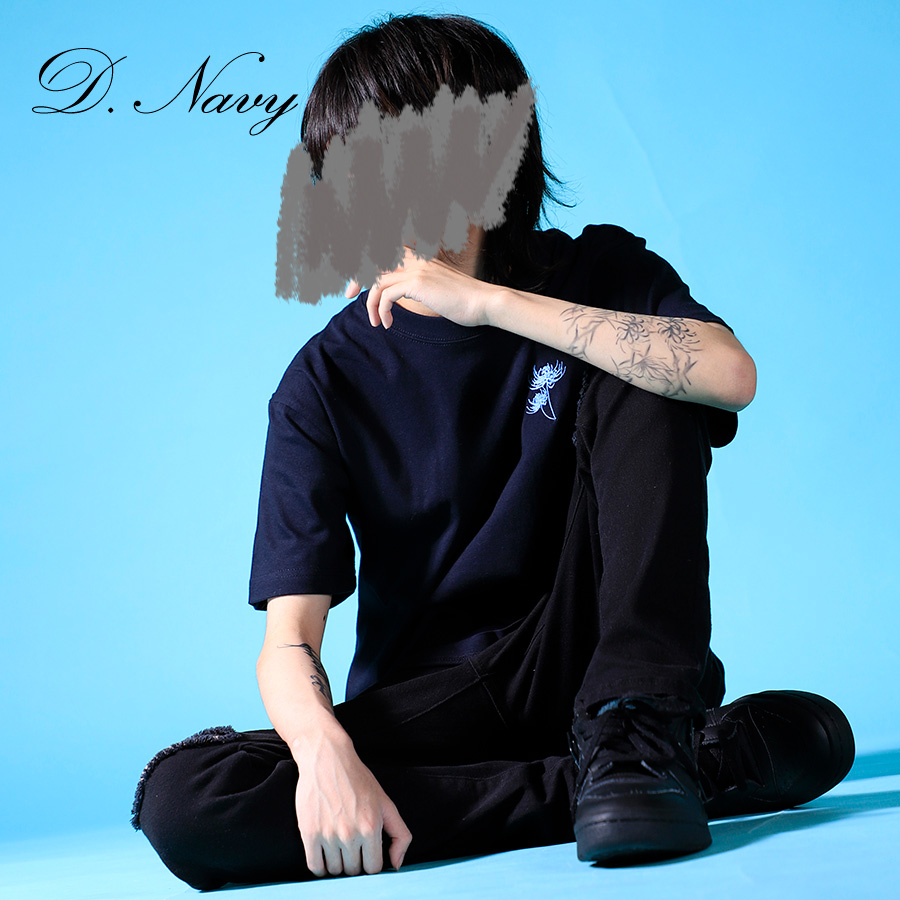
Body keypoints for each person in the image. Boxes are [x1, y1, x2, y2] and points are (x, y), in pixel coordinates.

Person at [132, 13, 854, 890]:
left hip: (603, 658)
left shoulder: (599, 275)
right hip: (444, 702)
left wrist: (490, 304)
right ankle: (663, 776)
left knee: (639, 360)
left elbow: (728, 375)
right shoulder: (325, 379)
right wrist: (325, 756)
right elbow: (289, 639)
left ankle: (636, 735)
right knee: (190, 802)